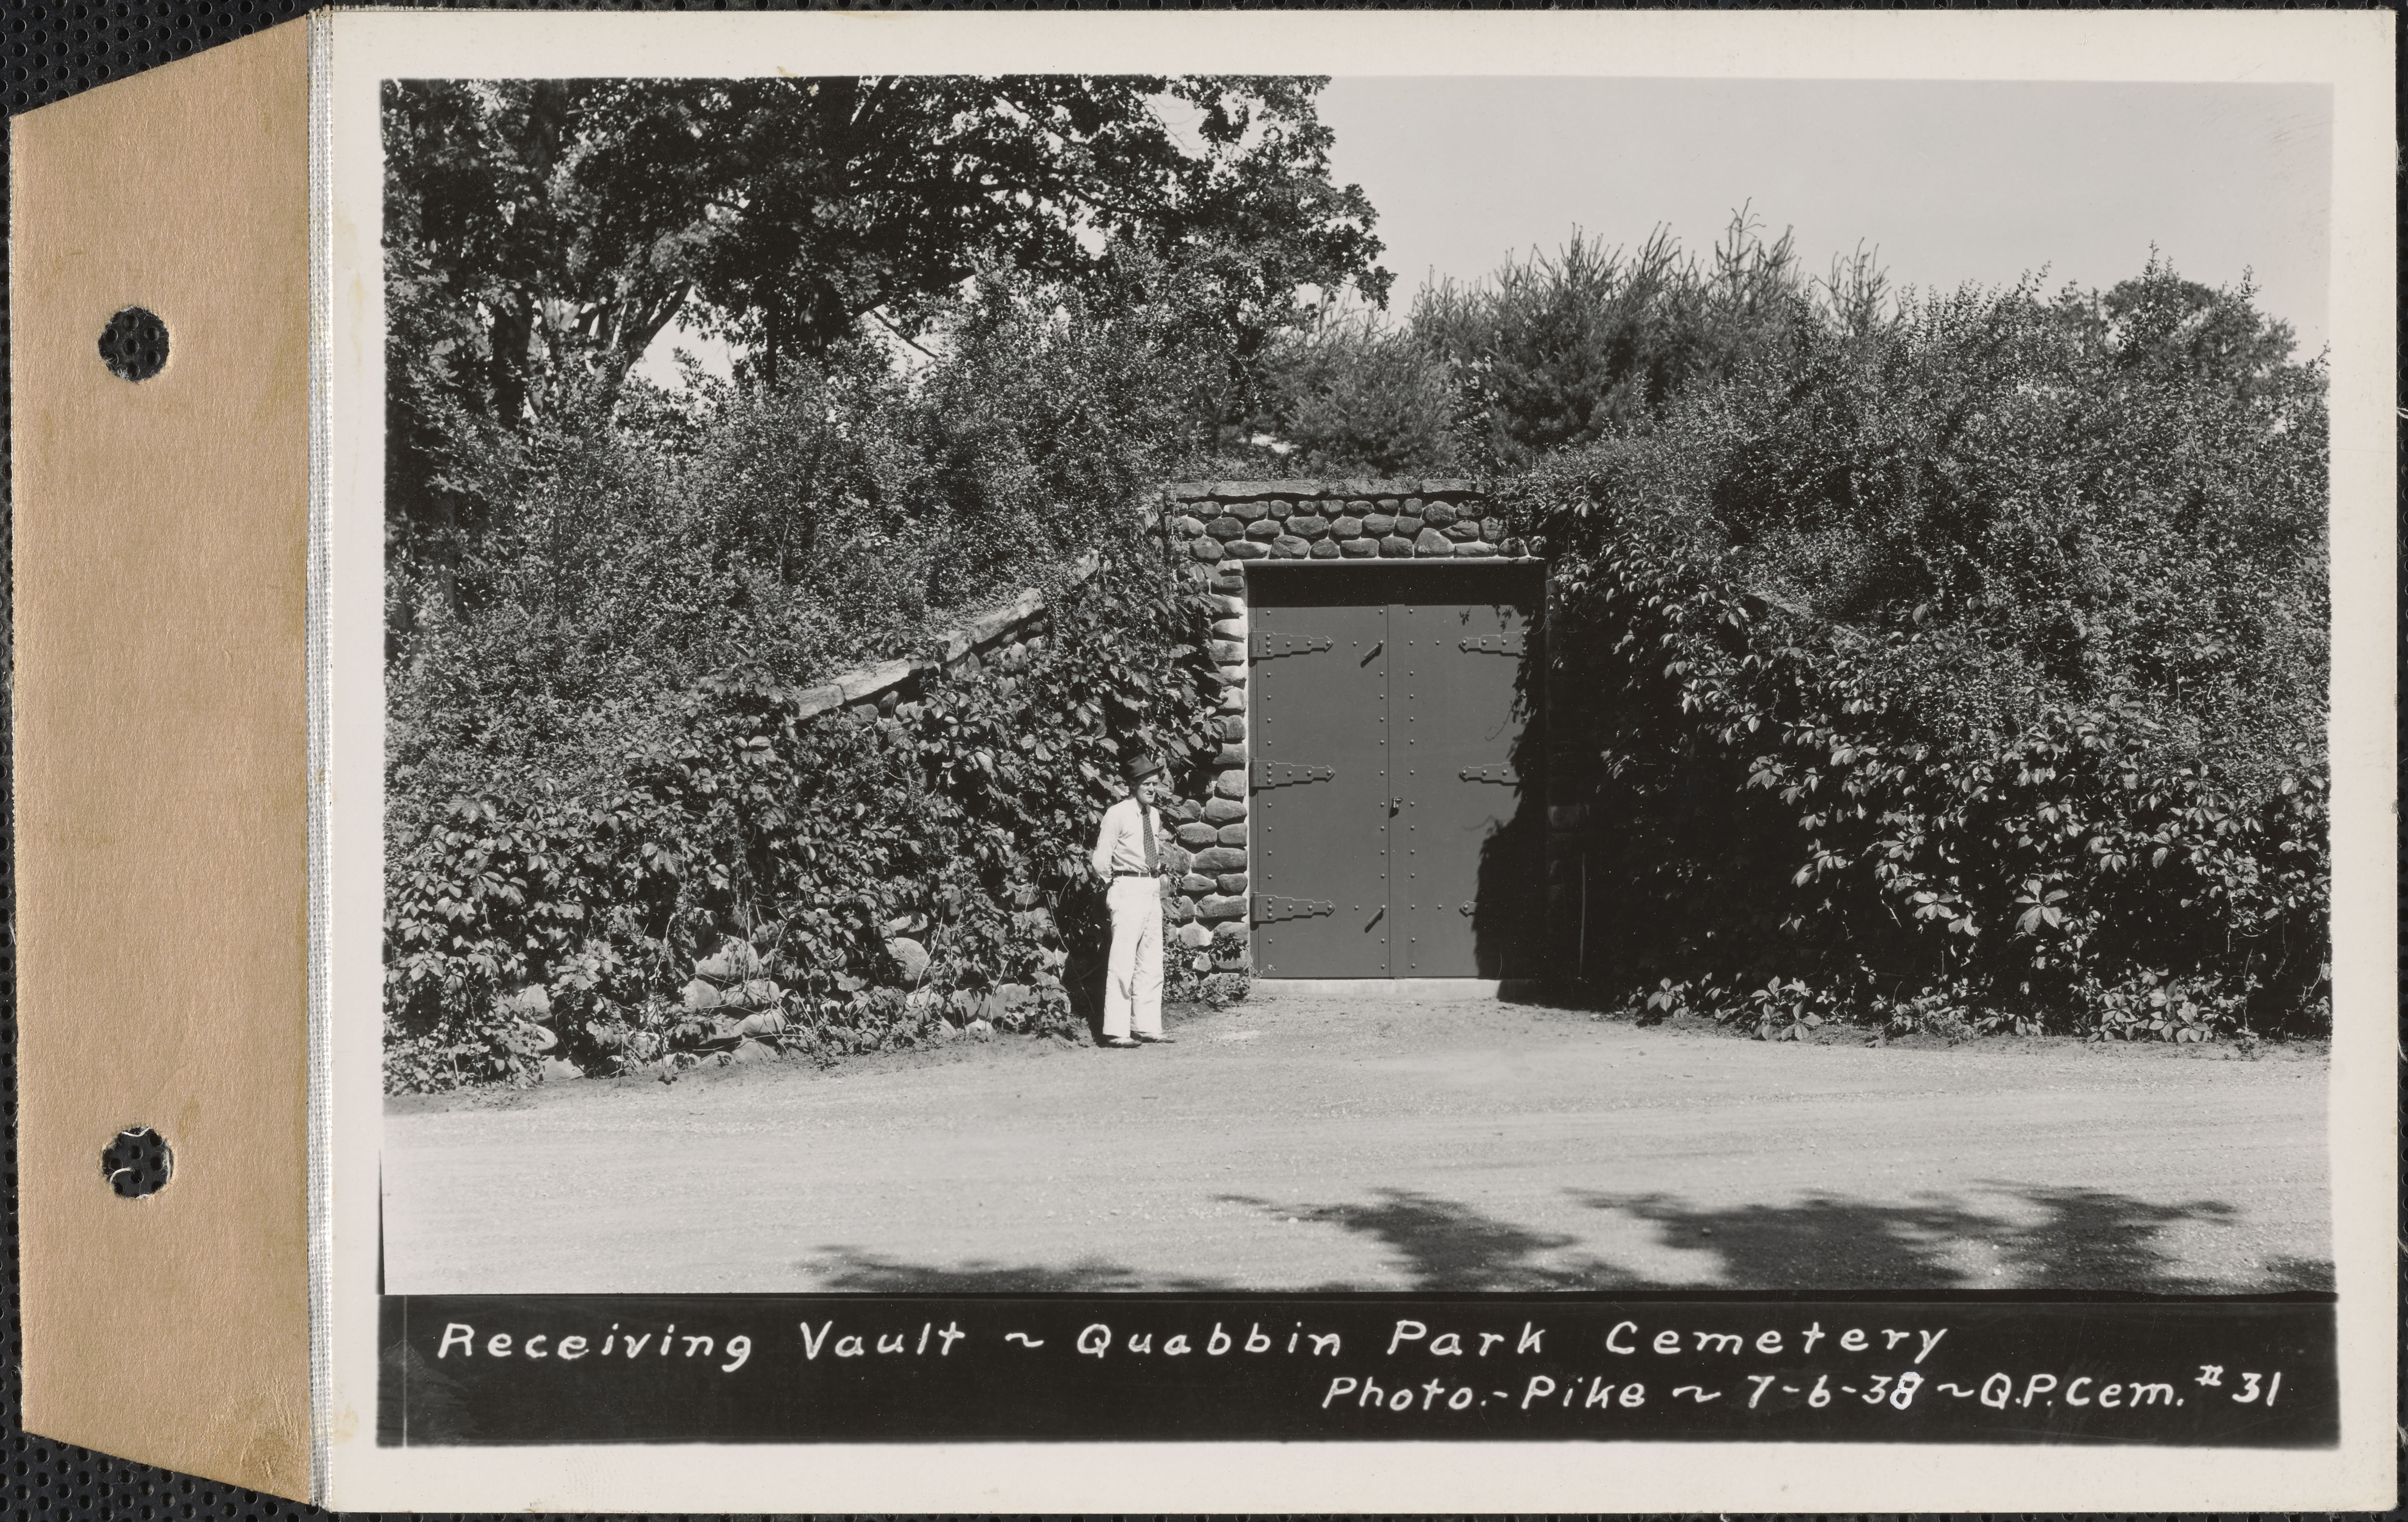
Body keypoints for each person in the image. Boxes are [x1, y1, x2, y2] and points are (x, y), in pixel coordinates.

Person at [1089, 753, 1177, 1048]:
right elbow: (1101, 860)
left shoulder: (1153, 815)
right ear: (1133, 784)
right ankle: (1116, 1031)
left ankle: (1147, 1026)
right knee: (1122, 961)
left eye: (1156, 783)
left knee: (1151, 962)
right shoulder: (1117, 813)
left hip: (1150, 889)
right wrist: (1114, 886)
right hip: (1127, 887)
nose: (1152, 788)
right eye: (1147, 784)